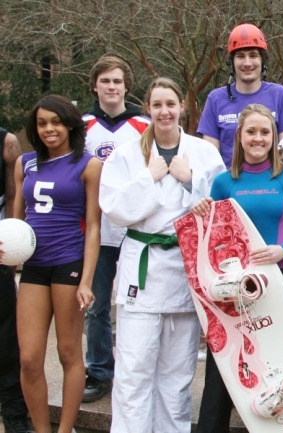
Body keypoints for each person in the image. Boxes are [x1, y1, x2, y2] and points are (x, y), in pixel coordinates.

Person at [99, 78, 224, 432]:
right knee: (133, 371)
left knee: (177, 374)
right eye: (157, 105)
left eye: (171, 104)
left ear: (182, 106)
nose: (164, 111)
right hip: (143, 266)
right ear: (148, 109)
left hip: (184, 269)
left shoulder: (203, 153)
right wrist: (149, 178)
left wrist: (189, 181)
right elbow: (113, 210)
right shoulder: (126, 155)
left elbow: (219, 210)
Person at [191, 103, 283, 430]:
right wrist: (202, 212)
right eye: (251, 131)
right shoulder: (223, 182)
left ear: (273, 137)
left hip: (281, 282)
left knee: (280, 366)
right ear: (240, 137)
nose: (258, 138)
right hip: (234, 290)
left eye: (265, 132)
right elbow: (213, 242)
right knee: (225, 368)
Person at [12, 95, 101, 433]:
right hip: (33, 267)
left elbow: (94, 226)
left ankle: (65, 430)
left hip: (69, 264)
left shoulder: (88, 164)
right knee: (30, 358)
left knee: (68, 353)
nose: (49, 128)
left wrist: (87, 280)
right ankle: (42, 430)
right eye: (42, 123)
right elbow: (17, 218)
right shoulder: (26, 163)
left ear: (70, 125)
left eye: (56, 122)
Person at [81, 54, 151, 403]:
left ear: (127, 85)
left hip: (137, 231)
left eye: (117, 81)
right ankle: (98, 370)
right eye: (105, 80)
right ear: (94, 85)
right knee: (96, 305)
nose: (111, 87)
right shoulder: (81, 126)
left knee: (137, 304)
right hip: (96, 233)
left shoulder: (143, 124)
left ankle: (132, 369)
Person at [198, 23, 283, 168]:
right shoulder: (215, 99)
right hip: (230, 185)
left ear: (262, 60)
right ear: (232, 62)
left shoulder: (279, 95)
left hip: (271, 183)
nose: (247, 63)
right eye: (240, 56)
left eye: (253, 55)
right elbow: (209, 156)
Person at [0, 127, 29, 433]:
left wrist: (10, 252)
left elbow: (13, 200)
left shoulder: (7, 143)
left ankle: (15, 419)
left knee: (7, 345)